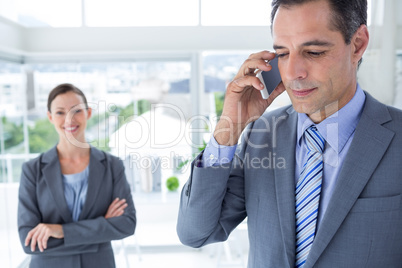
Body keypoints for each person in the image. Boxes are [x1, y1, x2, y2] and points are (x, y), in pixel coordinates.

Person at [177, 0, 402, 267]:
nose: (293, 73)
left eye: (314, 52)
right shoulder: (261, 135)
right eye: (282, 53)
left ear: (357, 44)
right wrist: (230, 127)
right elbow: (195, 232)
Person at [18, 83, 136, 268]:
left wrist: (61, 231)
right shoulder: (33, 170)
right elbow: (29, 241)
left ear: (88, 113)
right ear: (50, 117)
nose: (69, 119)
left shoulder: (112, 166)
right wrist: (102, 226)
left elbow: (127, 224)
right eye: (60, 112)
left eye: (76, 110)